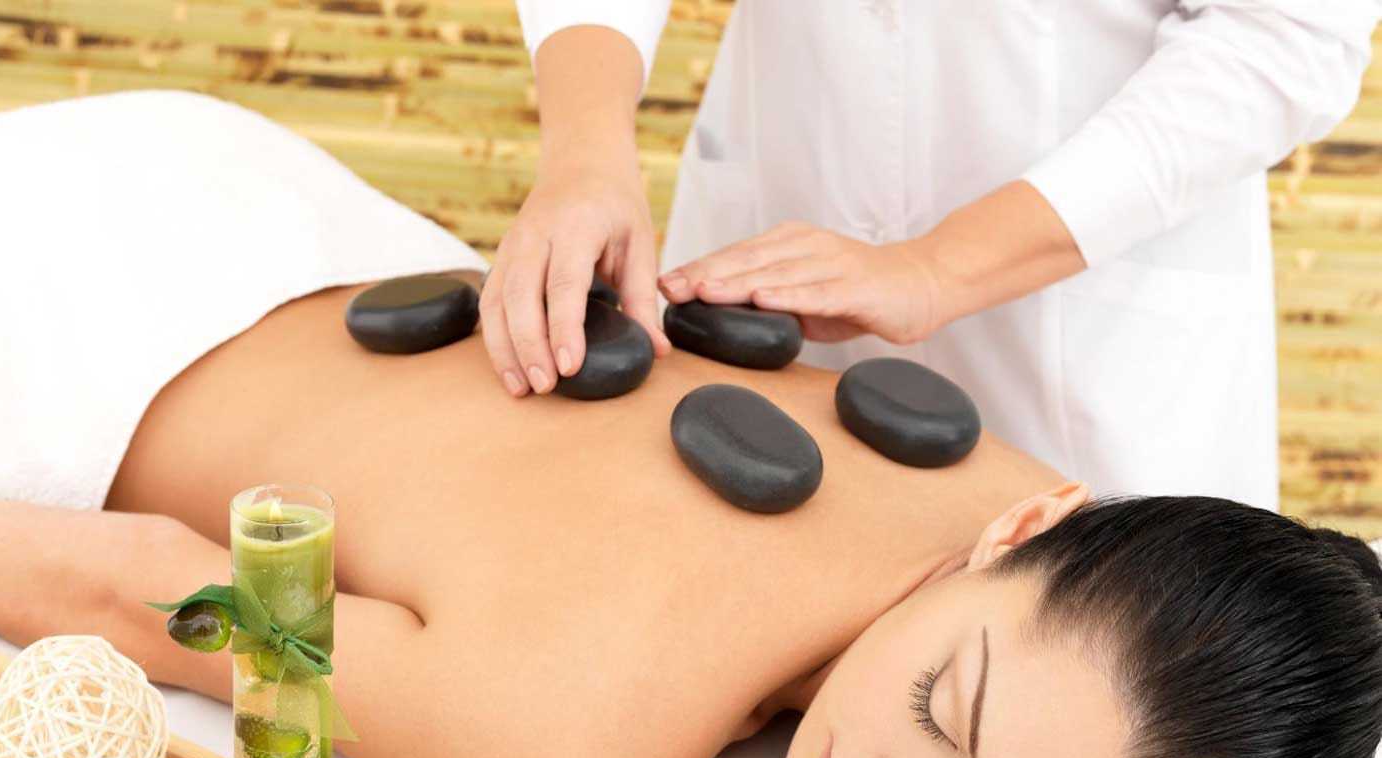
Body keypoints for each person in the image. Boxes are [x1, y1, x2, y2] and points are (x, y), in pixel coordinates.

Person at [0, 92, 1379, 758]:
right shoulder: (570, 754)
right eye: (944, 708)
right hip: (25, 327)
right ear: (1020, 538)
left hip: (262, 190)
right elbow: (145, 583)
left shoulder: (1023, 481)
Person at [497, 1, 1379, 507]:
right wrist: (586, 145)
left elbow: (1281, 33)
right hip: (776, 234)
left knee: (1083, 684)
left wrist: (937, 265)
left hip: (1091, 322)